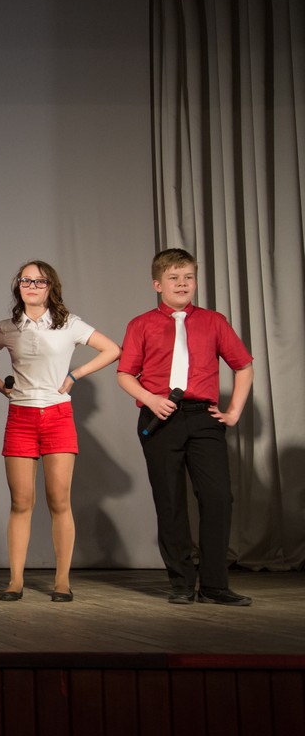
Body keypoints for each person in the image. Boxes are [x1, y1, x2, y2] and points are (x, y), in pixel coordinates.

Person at [0, 260, 119, 603]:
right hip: (21, 416)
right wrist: (2, 387)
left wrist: (74, 375)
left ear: (51, 287)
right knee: (21, 502)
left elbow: (113, 350)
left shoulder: (69, 324)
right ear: (18, 286)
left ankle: (62, 581)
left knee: (59, 500)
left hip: (57, 415)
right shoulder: (8, 327)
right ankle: (15, 581)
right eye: (26, 281)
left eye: (39, 281)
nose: (32, 286)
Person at [117, 248, 254, 606]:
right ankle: (181, 582)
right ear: (157, 284)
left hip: (202, 417)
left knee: (218, 497)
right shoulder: (141, 324)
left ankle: (214, 585)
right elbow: (125, 374)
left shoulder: (214, 321)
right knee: (170, 500)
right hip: (160, 418)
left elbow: (243, 366)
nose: (182, 284)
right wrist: (150, 399)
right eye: (174, 278)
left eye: (188, 277)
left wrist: (234, 412)